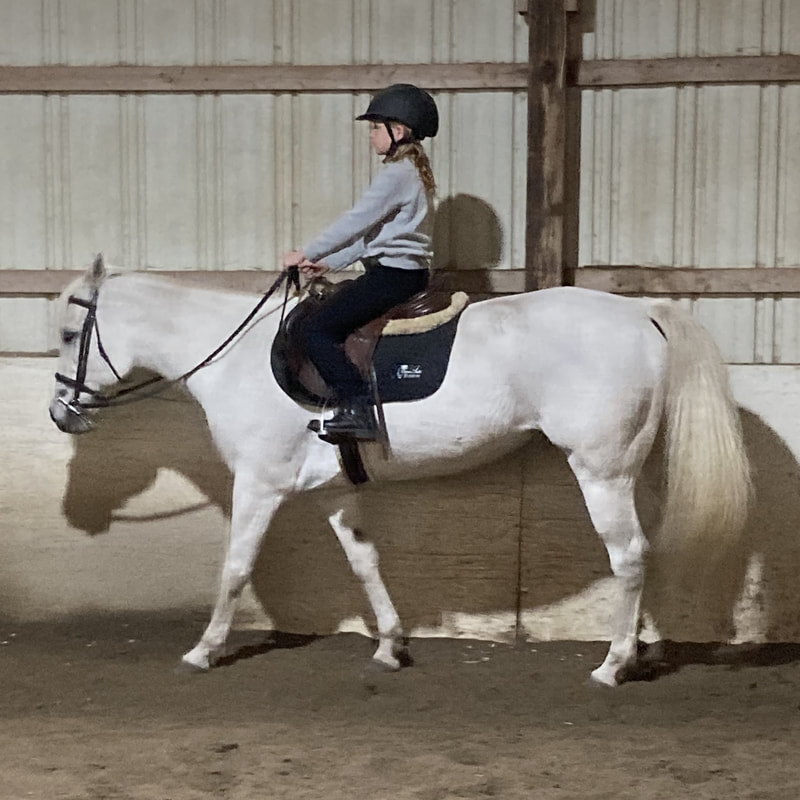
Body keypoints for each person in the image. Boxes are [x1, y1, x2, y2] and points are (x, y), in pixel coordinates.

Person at [282, 83, 438, 444]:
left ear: (396, 131)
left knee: (317, 330)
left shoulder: (396, 174)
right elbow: (374, 238)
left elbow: (355, 222)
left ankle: (357, 408)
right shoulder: (410, 170)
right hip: (400, 273)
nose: (370, 135)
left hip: (394, 277)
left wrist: (306, 252)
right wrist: (328, 262)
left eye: (374, 127)